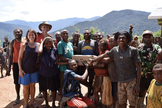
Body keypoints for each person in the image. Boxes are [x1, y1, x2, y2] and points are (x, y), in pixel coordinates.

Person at [89, 31, 141, 108]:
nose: (121, 40)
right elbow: (104, 56)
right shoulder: (115, 50)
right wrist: (93, 60)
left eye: (123, 38)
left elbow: (139, 67)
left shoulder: (133, 50)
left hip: (131, 81)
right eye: (119, 38)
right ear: (117, 40)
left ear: (127, 40)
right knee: (121, 103)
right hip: (120, 81)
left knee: (132, 104)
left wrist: (137, 84)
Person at [38, 37, 67, 108]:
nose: (48, 44)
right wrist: (42, 42)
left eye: (50, 43)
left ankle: (53, 103)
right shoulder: (42, 50)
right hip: (43, 73)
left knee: (53, 89)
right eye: (46, 43)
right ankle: (46, 103)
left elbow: (57, 62)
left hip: (53, 73)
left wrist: (67, 62)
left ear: (52, 43)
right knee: (44, 89)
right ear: (44, 43)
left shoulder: (54, 50)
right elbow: (39, 51)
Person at [137, 30, 162, 108]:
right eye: (146, 37)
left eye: (149, 37)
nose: (148, 39)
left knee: (151, 93)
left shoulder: (156, 47)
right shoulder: (140, 47)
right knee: (141, 93)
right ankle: (140, 105)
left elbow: (160, 52)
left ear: (152, 38)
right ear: (143, 38)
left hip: (153, 76)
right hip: (142, 75)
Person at [18, 29, 39, 108]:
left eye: (32, 34)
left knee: (33, 86)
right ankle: (26, 103)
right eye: (29, 34)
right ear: (27, 36)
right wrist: (20, 69)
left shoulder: (37, 45)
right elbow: (20, 58)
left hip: (34, 70)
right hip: (25, 70)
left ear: (35, 35)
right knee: (25, 87)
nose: (31, 36)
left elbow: (39, 54)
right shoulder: (24, 45)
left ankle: (32, 101)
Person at [77, 29, 99, 97]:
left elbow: (96, 54)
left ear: (90, 35)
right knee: (83, 80)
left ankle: (89, 92)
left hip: (92, 65)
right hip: (83, 66)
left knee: (91, 79)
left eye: (87, 33)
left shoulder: (94, 42)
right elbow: (78, 54)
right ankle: (91, 88)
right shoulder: (80, 43)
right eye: (85, 33)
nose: (86, 35)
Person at [93, 38, 113, 107]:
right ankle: (98, 105)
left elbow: (104, 65)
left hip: (104, 76)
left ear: (105, 46)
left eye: (101, 46)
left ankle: (104, 105)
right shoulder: (101, 53)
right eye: (99, 46)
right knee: (97, 91)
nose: (100, 47)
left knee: (104, 92)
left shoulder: (106, 52)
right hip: (99, 75)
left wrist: (94, 65)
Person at [7, 28, 24, 105]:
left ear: (21, 32)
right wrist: (8, 67)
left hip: (25, 64)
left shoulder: (25, 40)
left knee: (27, 80)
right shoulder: (12, 42)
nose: (17, 33)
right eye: (15, 32)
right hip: (16, 64)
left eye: (19, 32)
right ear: (14, 34)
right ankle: (18, 96)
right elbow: (10, 55)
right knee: (17, 82)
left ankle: (29, 95)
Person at [36, 21, 53, 98]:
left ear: (49, 29)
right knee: (40, 75)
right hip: (39, 58)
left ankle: (48, 89)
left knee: (48, 74)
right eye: (44, 27)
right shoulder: (37, 36)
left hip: (47, 59)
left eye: (47, 27)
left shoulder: (50, 37)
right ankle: (40, 91)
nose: (45, 29)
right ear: (41, 28)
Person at [57, 29, 74, 99]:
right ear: (61, 35)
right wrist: (69, 60)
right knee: (63, 84)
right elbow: (60, 56)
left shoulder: (70, 44)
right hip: (63, 68)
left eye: (66, 34)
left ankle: (68, 99)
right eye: (63, 34)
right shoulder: (60, 44)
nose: (65, 35)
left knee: (69, 84)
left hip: (71, 67)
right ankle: (62, 99)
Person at [108, 36, 118, 108]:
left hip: (117, 78)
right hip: (111, 77)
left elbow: (106, 60)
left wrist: (95, 59)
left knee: (117, 96)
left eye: (112, 41)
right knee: (113, 95)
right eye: (109, 41)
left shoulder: (117, 51)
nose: (111, 43)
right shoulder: (110, 51)